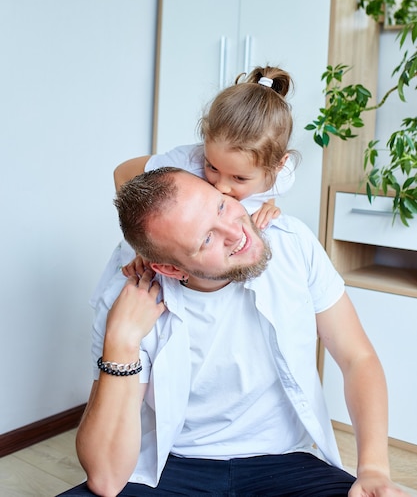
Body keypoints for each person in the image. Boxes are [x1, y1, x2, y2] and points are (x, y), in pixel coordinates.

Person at [57, 167, 409, 497]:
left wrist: (374, 468)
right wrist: (120, 342)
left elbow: (356, 357)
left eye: (221, 206)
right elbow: (105, 478)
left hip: (286, 461)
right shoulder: (129, 296)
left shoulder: (292, 243)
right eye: (208, 238)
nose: (236, 233)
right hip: (175, 467)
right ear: (168, 267)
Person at [114, 65, 298, 228]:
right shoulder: (185, 164)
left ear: (277, 166)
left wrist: (268, 204)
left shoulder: (283, 177)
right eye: (212, 167)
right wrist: (141, 246)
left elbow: (270, 188)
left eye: (239, 178)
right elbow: (123, 173)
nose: (221, 186)